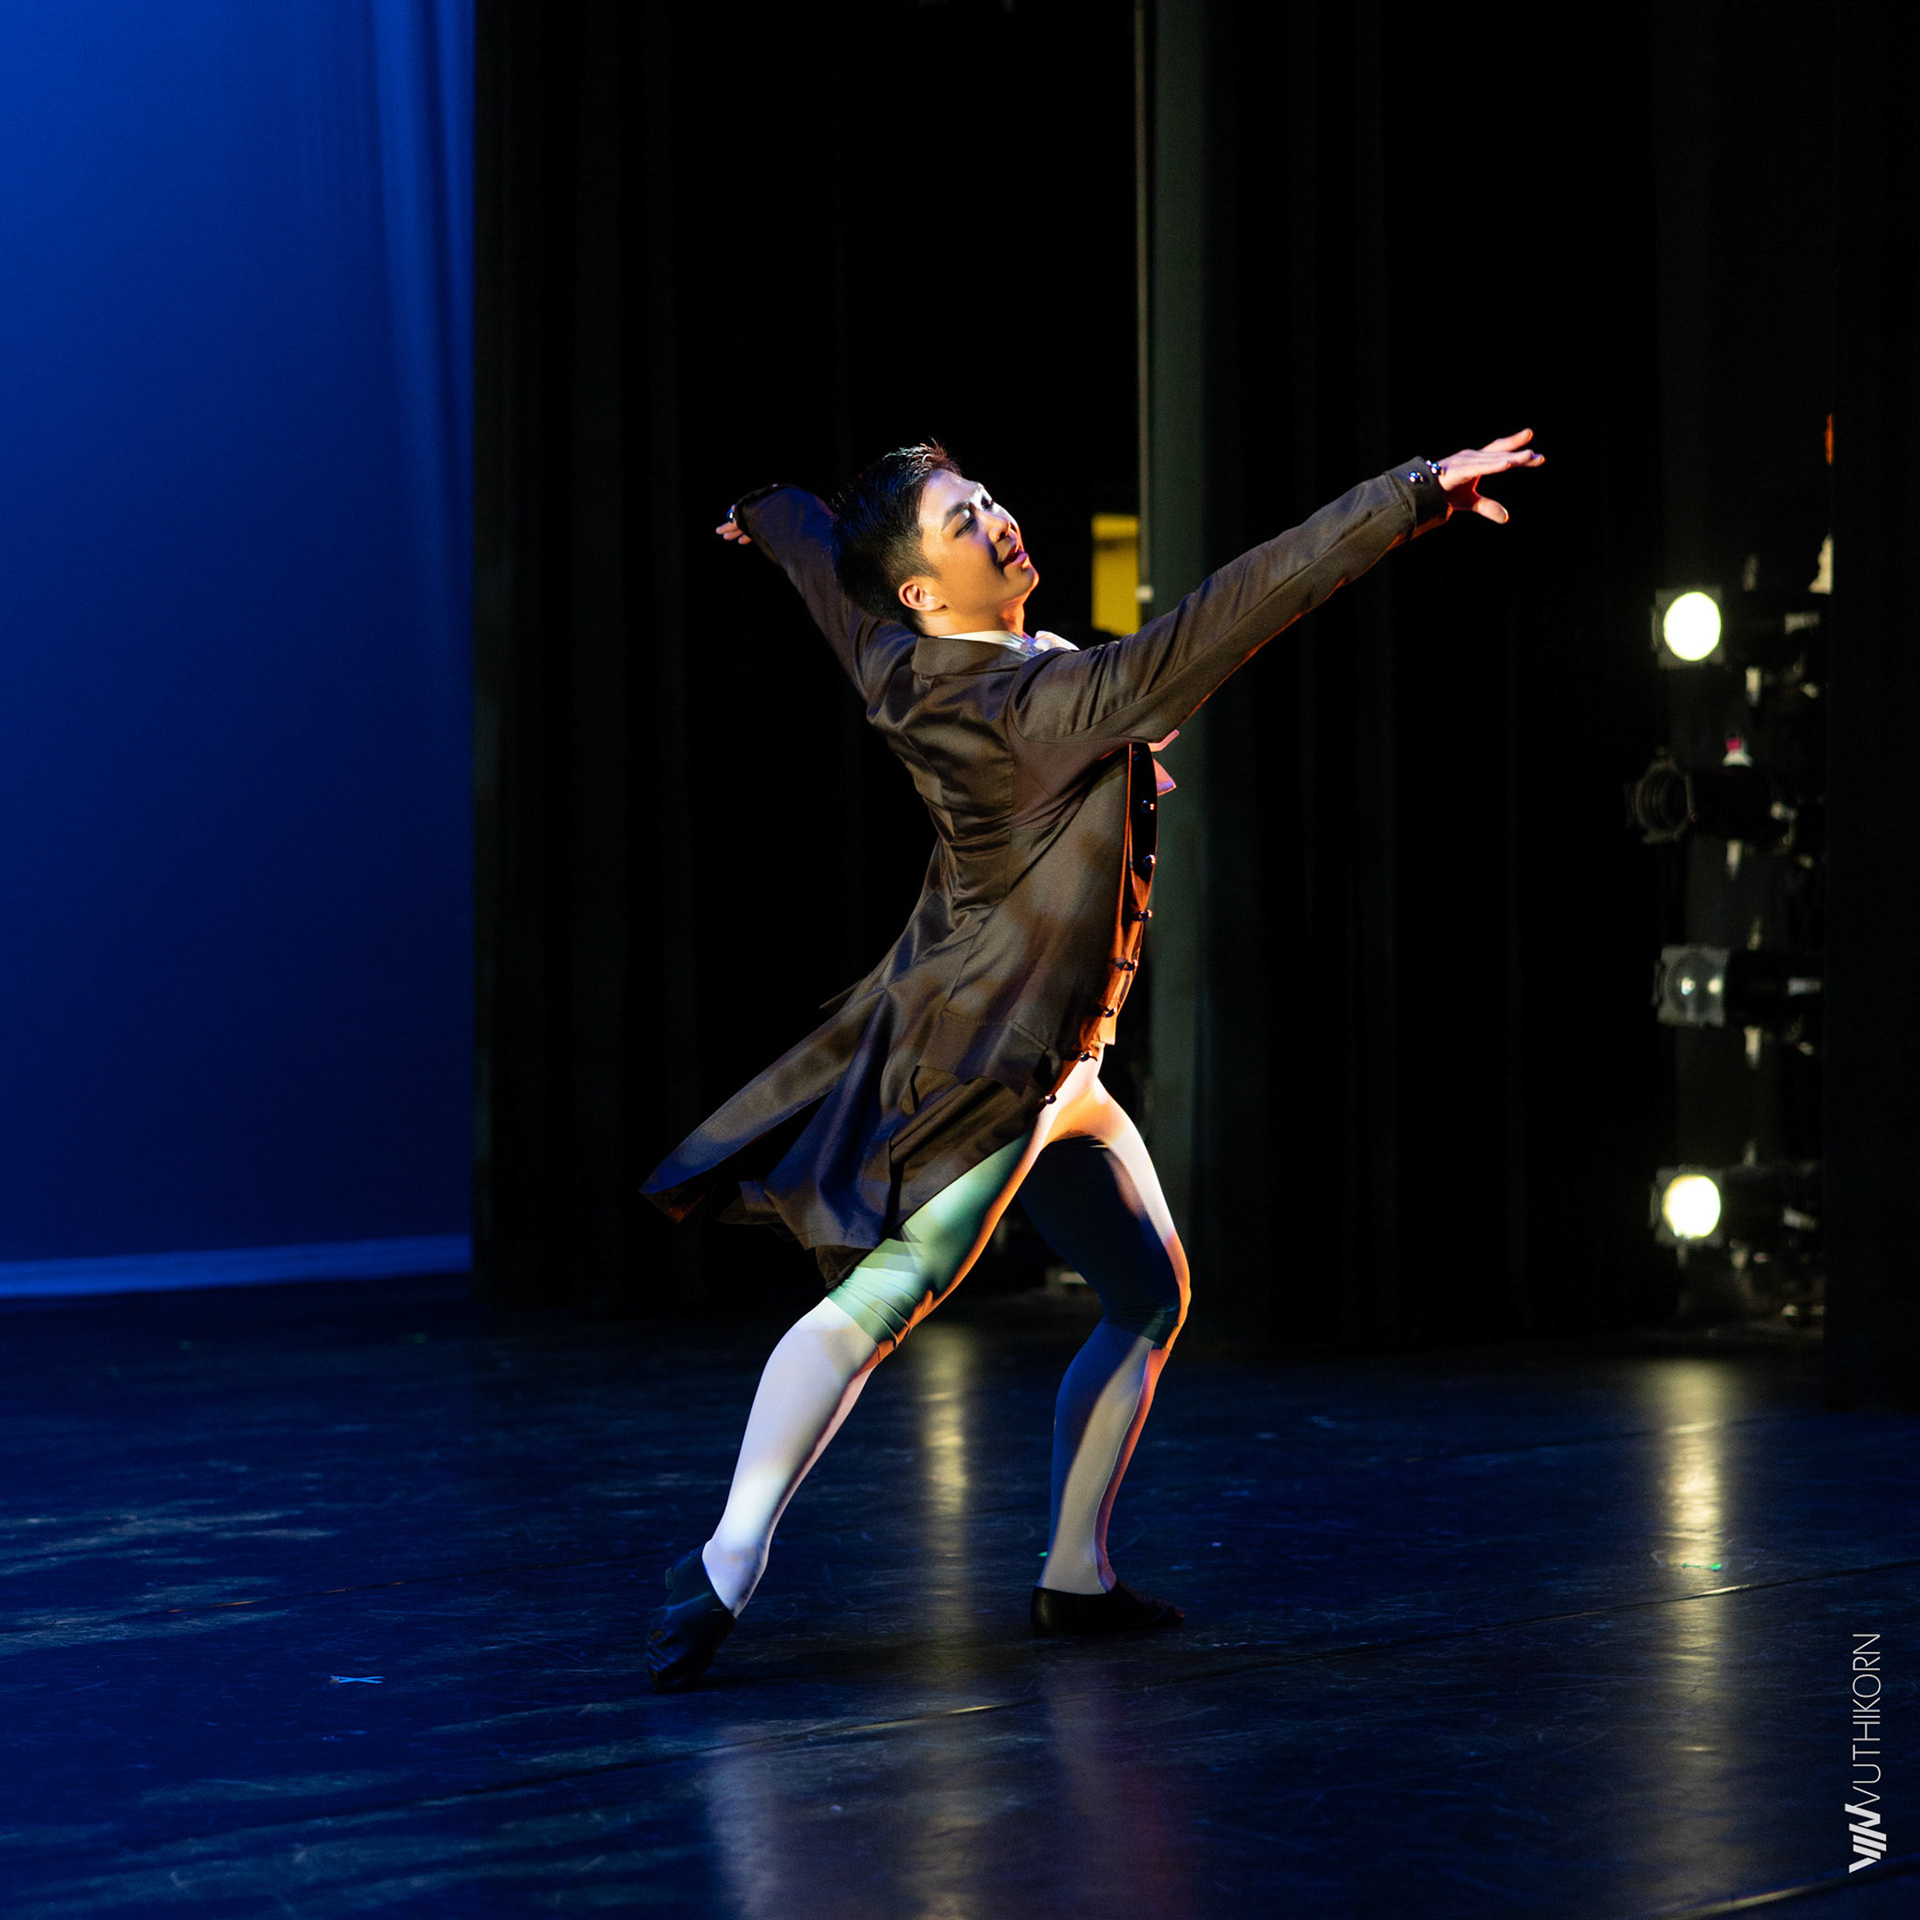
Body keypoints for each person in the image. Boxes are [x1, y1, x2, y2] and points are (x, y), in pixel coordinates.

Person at [642, 430, 1543, 1690]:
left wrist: (771, 508)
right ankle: (724, 1563)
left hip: (1056, 1060)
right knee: (885, 1298)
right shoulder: (1037, 705)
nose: (998, 519)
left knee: (1149, 1292)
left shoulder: (904, 654)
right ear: (922, 589)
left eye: (986, 498)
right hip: (990, 1070)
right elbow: (1235, 609)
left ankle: (1076, 1575)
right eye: (964, 522)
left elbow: (825, 579)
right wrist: (1411, 496)